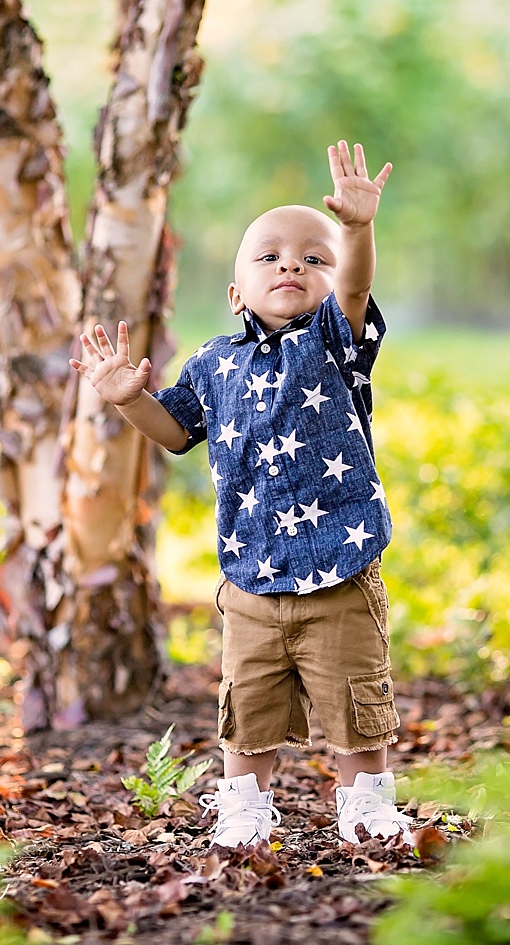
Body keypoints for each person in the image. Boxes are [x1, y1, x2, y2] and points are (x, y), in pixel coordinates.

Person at [70, 140, 413, 848]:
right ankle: (245, 806)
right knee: (248, 703)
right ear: (235, 294)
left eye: (312, 258)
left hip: (340, 571)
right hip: (251, 575)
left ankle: (367, 802)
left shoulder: (331, 342)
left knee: (355, 698)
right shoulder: (212, 363)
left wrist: (355, 230)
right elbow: (173, 432)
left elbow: (353, 287)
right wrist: (130, 400)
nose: (292, 263)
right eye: (269, 256)